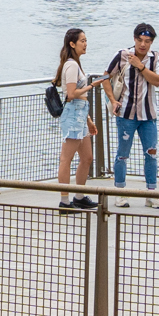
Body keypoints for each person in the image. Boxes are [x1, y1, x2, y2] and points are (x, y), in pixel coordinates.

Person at [102, 23, 159, 208]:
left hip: (148, 115)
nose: (143, 45)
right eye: (140, 40)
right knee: (122, 154)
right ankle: (120, 191)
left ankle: (151, 193)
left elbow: (158, 81)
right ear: (134, 39)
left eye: (147, 41)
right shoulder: (122, 55)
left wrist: (140, 67)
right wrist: (113, 101)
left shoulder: (155, 58)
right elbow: (105, 77)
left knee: (151, 154)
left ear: (152, 42)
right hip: (125, 114)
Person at [52, 28, 98, 209]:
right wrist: (92, 85)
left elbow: (78, 99)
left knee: (87, 157)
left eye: (86, 40)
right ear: (72, 44)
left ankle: (79, 196)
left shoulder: (75, 64)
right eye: (82, 41)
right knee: (66, 158)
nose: (85, 44)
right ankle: (64, 201)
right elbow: (71, 94)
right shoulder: (71, 65)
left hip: (80, 114)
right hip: (72, 115)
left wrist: (89, 120)